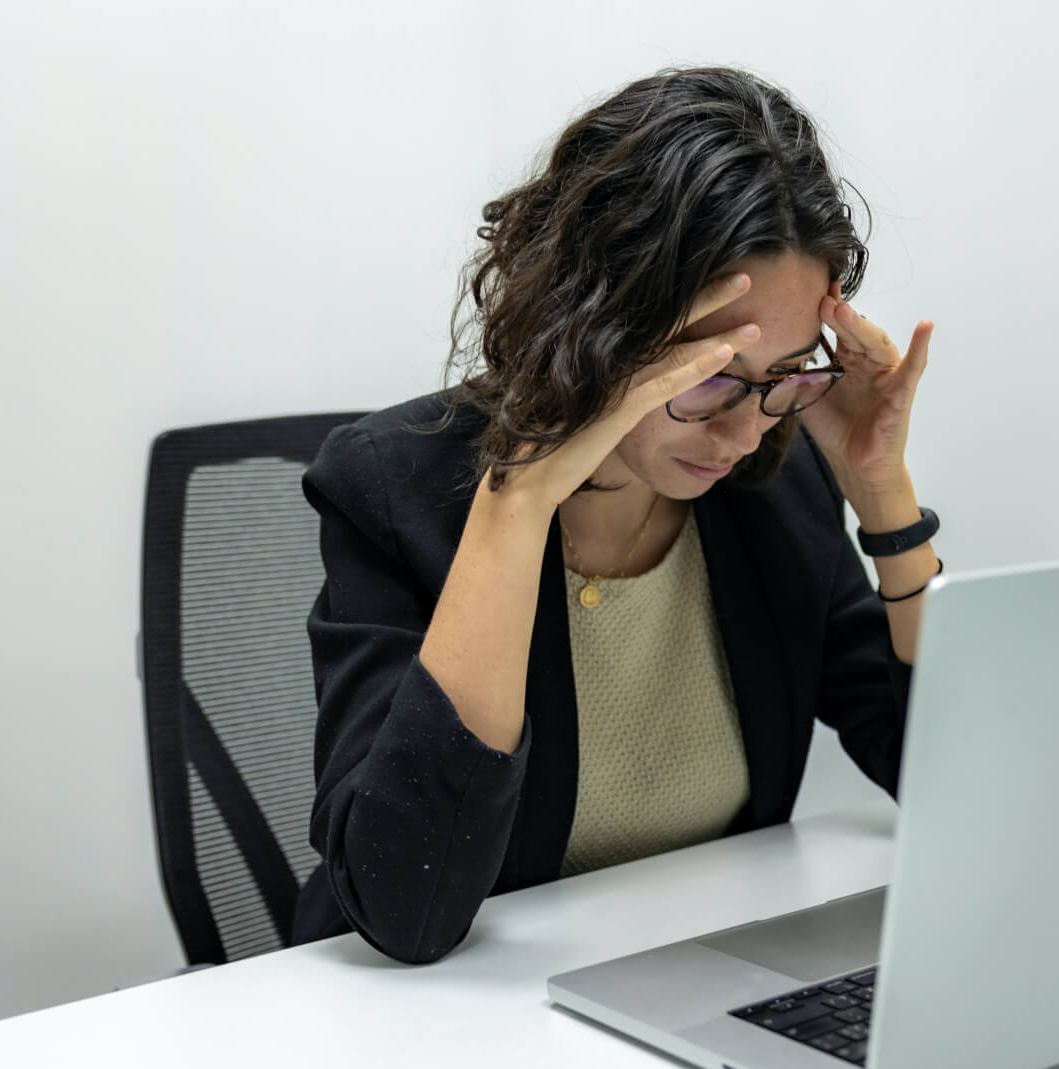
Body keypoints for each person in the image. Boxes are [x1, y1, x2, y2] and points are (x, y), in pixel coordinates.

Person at [291, 66, 940, 963]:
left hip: (687, 987)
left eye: (785, 375)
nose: (744, 431)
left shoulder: (773, 490)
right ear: (590, 323)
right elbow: (408, 908)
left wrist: (884, 500)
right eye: (708, 373)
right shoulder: (395, 487)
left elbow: (956, 786)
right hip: (436, 1036)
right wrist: (518, 505)